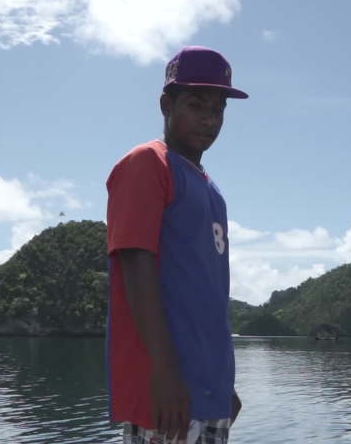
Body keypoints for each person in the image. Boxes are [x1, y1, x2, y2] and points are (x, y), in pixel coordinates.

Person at [105, 45, 249, 444]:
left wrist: (222, 383)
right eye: (196, 104)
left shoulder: (211, 189)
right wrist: (164, 370)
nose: (209, 118)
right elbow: (135, 263)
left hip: (207, 393)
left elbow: (204, 292)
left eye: (218, 109)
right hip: (168, 396)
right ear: (167, 104)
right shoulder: (148, 163)